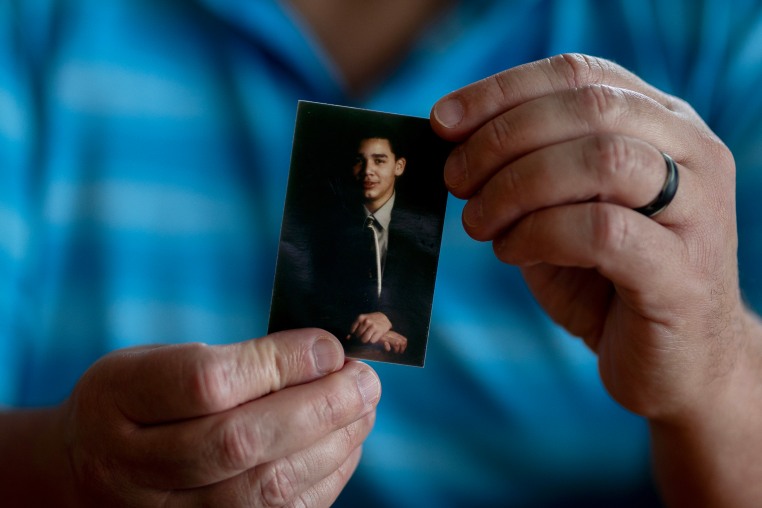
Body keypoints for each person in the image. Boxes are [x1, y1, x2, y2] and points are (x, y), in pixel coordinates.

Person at [3, 0, 762, 506]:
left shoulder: (710, 31)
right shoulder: (34, 24)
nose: (366, 172)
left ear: (398, 170)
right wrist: (62, 469)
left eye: (379, 163)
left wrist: (718, 378)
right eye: (358, 163)